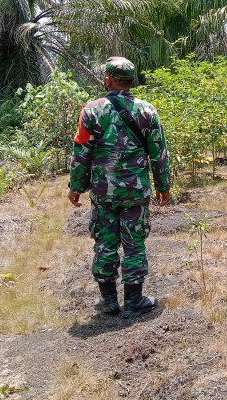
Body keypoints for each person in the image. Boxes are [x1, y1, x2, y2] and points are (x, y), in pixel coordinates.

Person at [68, 57, 171, 319]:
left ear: (108, 79)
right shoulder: (147, 110)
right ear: (131, 80)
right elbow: (158, 153)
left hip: (103, 192)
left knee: (105, 242)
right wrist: (163, 185)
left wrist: (76, 186)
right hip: (135, 192)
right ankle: (134, 301)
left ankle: (109, 300)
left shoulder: (91, 111)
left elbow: (81, 151)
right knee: (134, 243)